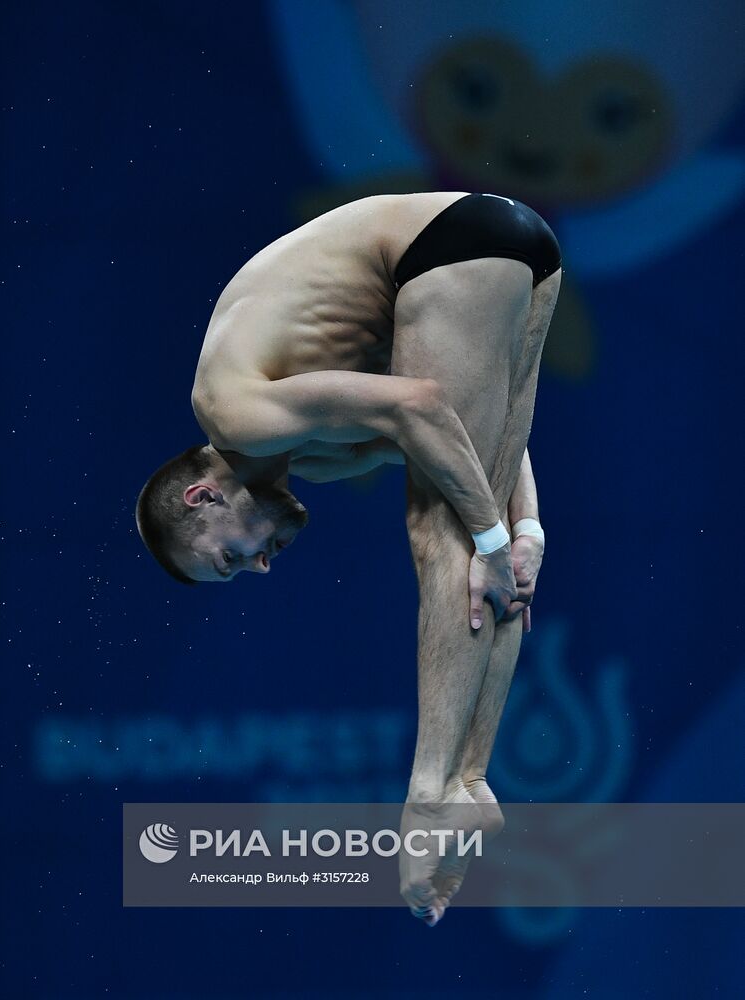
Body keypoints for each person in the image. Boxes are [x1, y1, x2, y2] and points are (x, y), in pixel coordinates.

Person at [136, 191, 562, 924]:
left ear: (202, 498)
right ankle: (468, 780)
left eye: (230, 560)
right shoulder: (315, 454)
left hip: (447, 243)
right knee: (485, 544)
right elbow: (463, 431)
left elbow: (421, 404)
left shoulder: (231, 408)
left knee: (441, 532)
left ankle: (427, 802)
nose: (261, 565)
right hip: (525, 249)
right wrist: (526, 529)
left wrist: (489, 536)